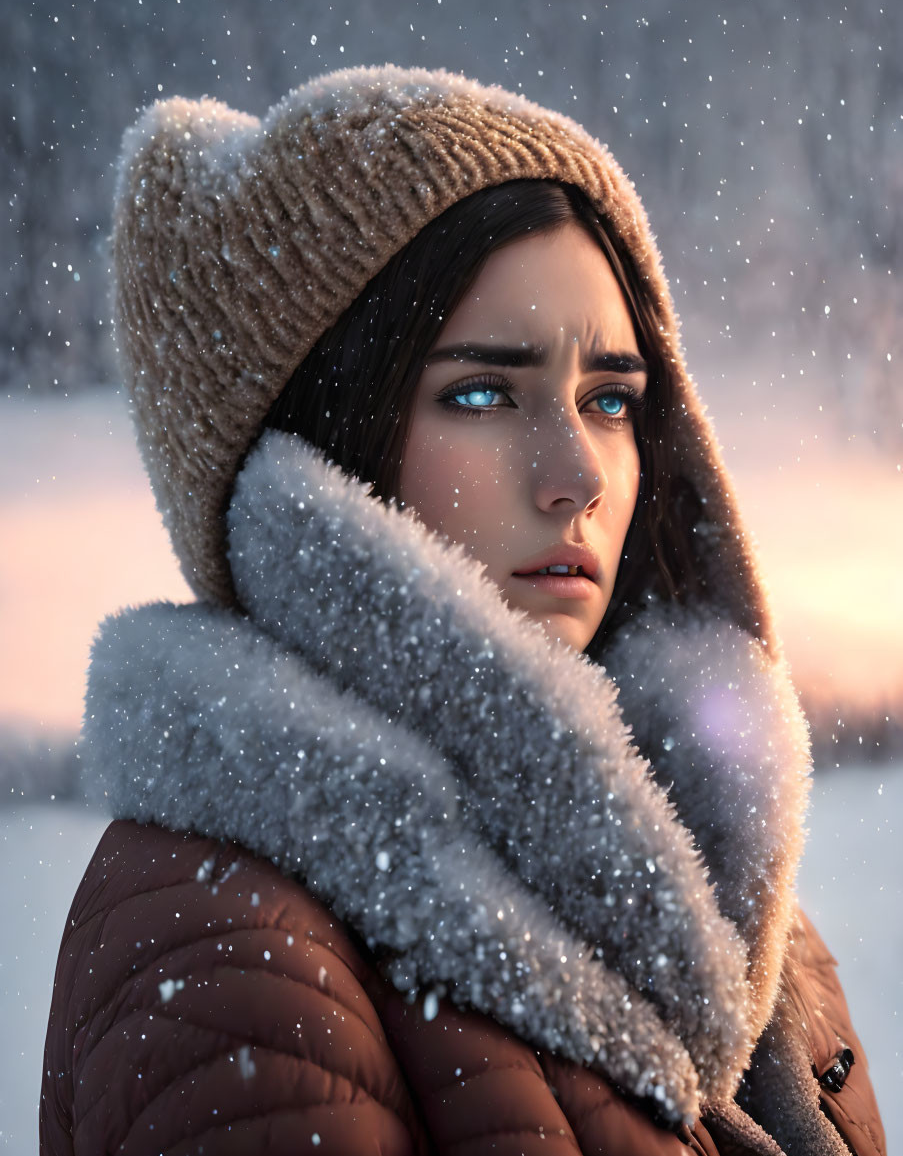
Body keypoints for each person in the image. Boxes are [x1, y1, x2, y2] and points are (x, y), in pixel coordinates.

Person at [40, 66, 885, 1156]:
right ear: (329, 449)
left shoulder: (746, 931)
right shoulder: (222, 948)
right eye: (483, 393)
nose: (579, 472)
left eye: (613, 399)